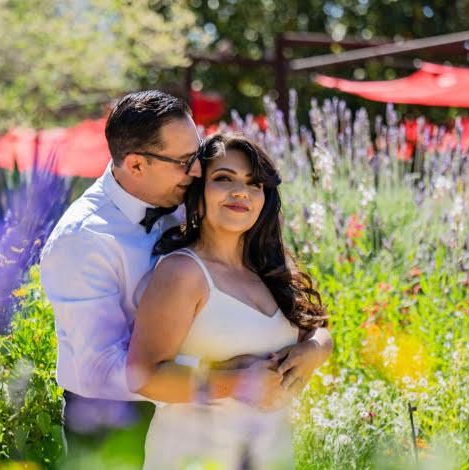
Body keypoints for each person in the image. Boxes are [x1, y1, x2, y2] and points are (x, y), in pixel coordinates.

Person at [39, 91, 332, 458]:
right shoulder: (81, 238)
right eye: (183, 161)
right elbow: (99, 368)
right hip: (112, 423)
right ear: (136, 165)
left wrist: (316, 348)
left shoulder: (184, 205)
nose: (196, 171)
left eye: (196, 157)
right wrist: (222, 375)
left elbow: (298, 314)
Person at [126, 133, 330, 469]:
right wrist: (236, 382)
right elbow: (144, 377)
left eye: (254, 184)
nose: (240, 192)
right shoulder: (183, 273)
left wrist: (314, 352)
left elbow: (317, 330)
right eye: (224, 179)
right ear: (198, 192)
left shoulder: (271, 269)